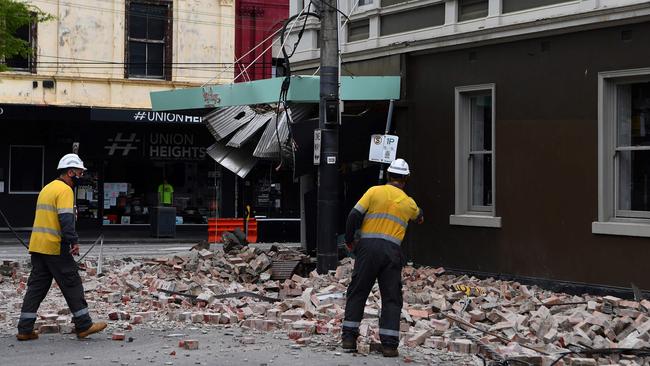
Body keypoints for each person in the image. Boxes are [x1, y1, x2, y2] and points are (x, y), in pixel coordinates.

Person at [17, 153, 107, 341]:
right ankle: (84, 325)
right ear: (70, 172)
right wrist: (73, 241)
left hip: (38, 246)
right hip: (55, 247)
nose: (81, 177)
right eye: (79, 173)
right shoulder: (65, 190)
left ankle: (24, 329)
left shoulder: (47, 188)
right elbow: (66, 219)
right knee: (72, 283)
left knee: (36, 288)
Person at [341, 158, 424, 357]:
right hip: (392, 253)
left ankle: (349, 338)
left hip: (367, 249)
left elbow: (353, 215)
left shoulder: (373, 192)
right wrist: (418, 213)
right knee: (392, 298)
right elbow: (420, 217)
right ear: (406, 178)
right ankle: (389, 345)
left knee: (358, 291)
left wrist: (350, 240)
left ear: (388, 175)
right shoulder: (408, 202)